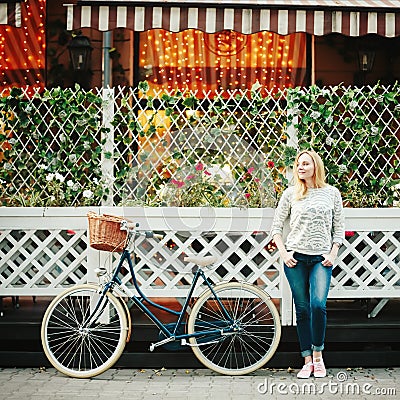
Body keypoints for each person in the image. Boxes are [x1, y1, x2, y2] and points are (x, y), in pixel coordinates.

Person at [270, 150, 345, 379]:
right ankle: (307, 361)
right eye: (298, 164)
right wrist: (284, 253)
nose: (300, 167)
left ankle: (319, 356)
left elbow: (338, 227)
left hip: (322, 259)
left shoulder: (331, 193)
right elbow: (276, 227)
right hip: (296, 260)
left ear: (316, 166)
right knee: (302, 310)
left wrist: (333, 253)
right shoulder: (291, 193)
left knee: (317, 306)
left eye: (305, 163)